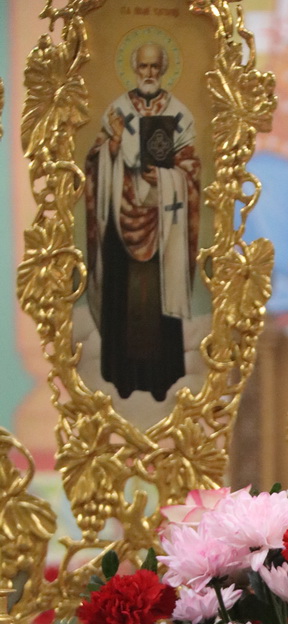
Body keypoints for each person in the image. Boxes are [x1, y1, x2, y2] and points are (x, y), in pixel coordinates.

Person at [84, 42, 200, 402]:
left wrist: (165, 178)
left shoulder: (179, 114)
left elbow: (191, 169)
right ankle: (122, 377)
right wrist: (114, 146)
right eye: (143, 67)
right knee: (124, 297)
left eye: (155, 67)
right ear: (135, 69)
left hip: (161, 222)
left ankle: (161, 378)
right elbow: (94, 162)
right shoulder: (117, 110)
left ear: (163, 69)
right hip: (122, 221)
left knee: (155, 302)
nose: (149, 73)